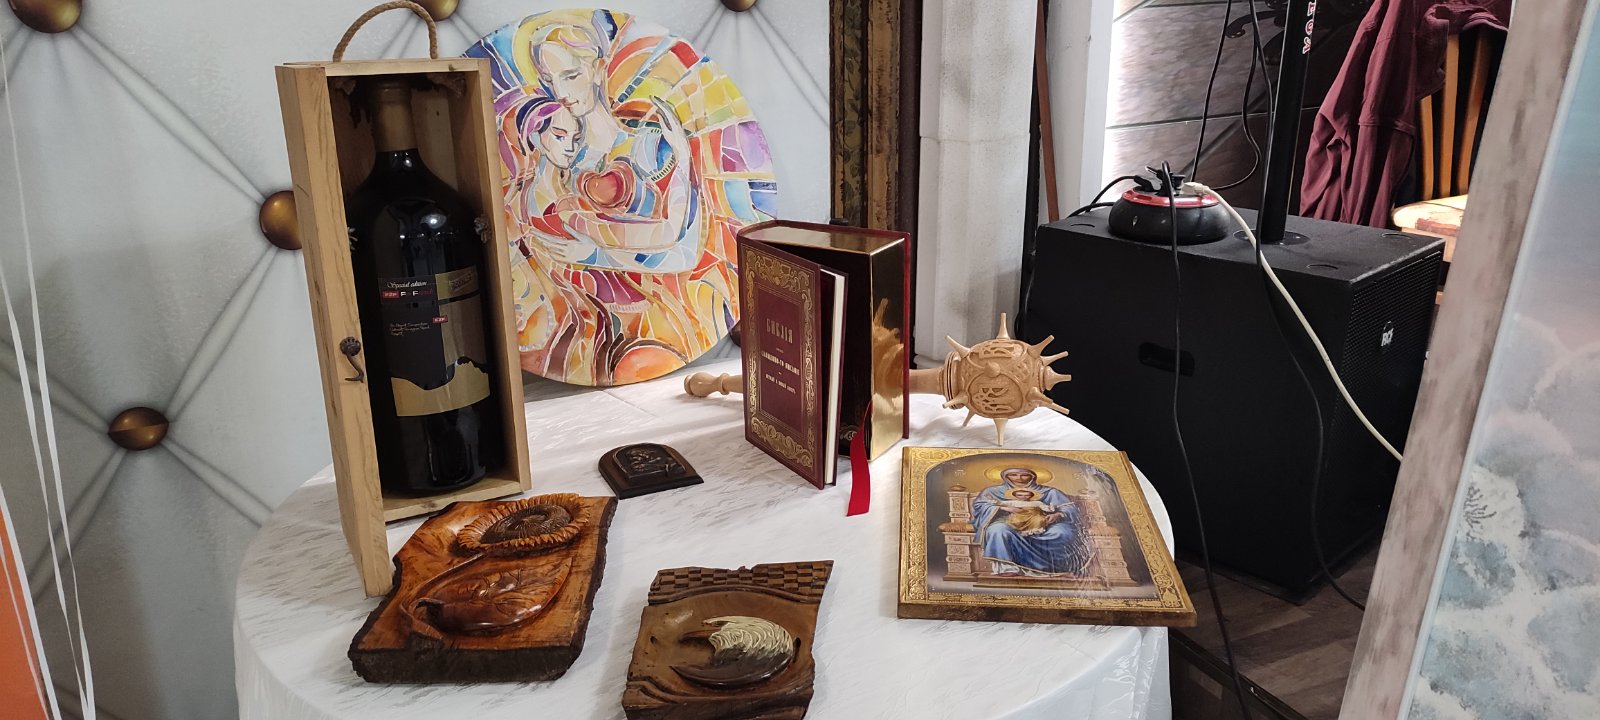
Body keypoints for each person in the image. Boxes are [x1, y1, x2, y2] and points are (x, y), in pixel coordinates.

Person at [971, 467, 1093, 577]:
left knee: (1062, 532)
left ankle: (1059, 567)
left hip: (1044, 521)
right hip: (1009, 520)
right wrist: (1003, 508)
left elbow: (1069, 508)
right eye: (1013, 475)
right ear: (1005, 477)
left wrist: (1058, 514)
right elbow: (981, 505)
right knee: (998, 530)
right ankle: (1007, 567)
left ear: (1033, 476)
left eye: (1024, 475)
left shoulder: (1049, 492)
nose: (1019, 478)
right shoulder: (993, 491)